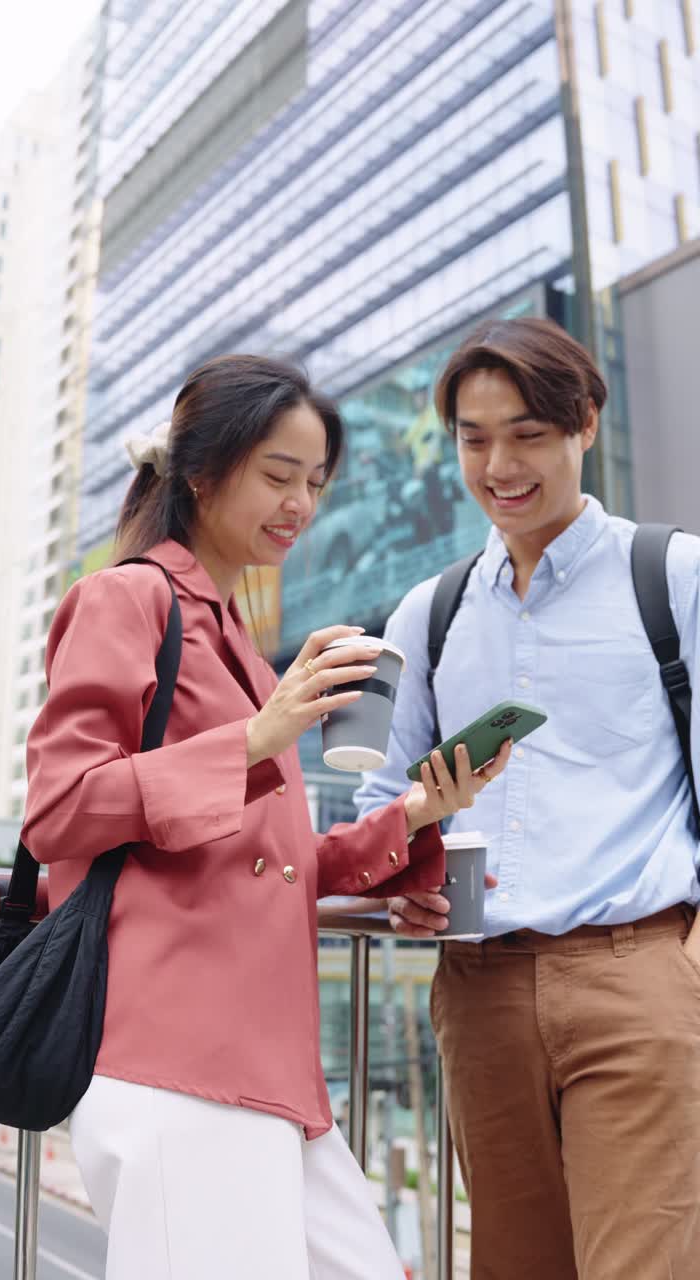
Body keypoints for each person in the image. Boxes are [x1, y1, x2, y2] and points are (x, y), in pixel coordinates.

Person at [21, 355, 511, 1280]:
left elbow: (274, 858)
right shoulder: (128, 599)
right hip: (172, 1056)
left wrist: (414, 810)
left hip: (270, 1073)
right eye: (278, 474)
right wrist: (260, 734)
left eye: (316, 483)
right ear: (202, 471)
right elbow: (61, 808)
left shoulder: (238, 641)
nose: (301, 504)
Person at [355, 318, 700, 1279]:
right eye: (474, 438)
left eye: (528, 433)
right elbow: (381, 804)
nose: (499, 464)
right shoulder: (427, 612)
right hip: (479, 989)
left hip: (639, 975)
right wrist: (407, 869)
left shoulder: (676, 576)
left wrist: (687, 973)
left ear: (584, 423)